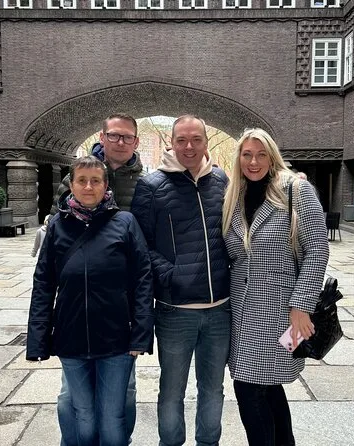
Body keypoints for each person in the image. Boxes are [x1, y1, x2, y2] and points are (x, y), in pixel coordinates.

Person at [27, 156, 154, 446]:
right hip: (71, 338)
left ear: (105, 185)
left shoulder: (125, 222)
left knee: (112, 418)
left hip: (115, 340)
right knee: (82, 415)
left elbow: (142, 279)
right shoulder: (58, 225)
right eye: (82, 180)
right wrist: (38, 339)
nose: (88, 186)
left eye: (95, 181)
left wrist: (141, 334)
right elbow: (43, 283)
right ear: (71, 185)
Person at [221, 128, 329, 446]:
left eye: (261, 155)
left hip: (283, 312)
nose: (253, 162)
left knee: (249, 387)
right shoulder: (234, 196)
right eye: (247, 155)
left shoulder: (296, 190)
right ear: (239, 158)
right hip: (242, 313)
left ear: (272, 157)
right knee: (264, 386)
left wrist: (301, 306)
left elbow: (317, 249)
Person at [131, 115, 230, 446]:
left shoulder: (221, 180)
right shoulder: (151, 185)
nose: (189, 146)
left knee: (213, 389)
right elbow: (140, 245)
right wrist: (170, 276)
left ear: (205, 141)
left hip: (220, 310)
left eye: (196, 139)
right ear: (172, 142)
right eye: (182, 140)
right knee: (172, 389)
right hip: (175, 311)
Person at [51, 113, 146, 445]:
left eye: (127, 137)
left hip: (119, 306)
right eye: (114, 135)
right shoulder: (78, 173)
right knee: (71, 394)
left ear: (136, 141)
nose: (120, 142)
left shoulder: (145, 183)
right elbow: (61, 221)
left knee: (124, 392)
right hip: (79, 307)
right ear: (102, 137)